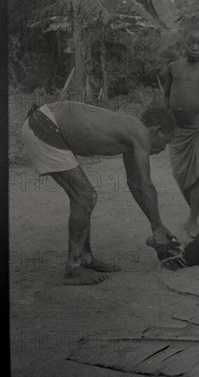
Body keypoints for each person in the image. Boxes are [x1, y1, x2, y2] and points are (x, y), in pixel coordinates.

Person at [20, 101, 178, 285]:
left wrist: (156, 225)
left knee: (84, 197)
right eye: (166, 141)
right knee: (85, 196)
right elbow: (146, 184)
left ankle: (85, 258)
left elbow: (135, 185)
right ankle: (74, 268)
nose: (163, 149)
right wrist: (158, 227)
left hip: (45, 123)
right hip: (44, 125)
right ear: (156, 130)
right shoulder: (141, 133)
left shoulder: (132, 136)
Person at [164, 28, 199, 237]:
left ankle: (192, 218)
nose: (195, 47)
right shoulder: (173, 67)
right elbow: (165, 95)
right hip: (177, 132)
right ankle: (194, 211)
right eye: (191, 43)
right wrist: (164, 120)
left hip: (198, 130)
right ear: (184, 44)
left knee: (197, 174)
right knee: (181, 175)